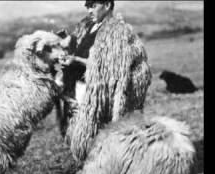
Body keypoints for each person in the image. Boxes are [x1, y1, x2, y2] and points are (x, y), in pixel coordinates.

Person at [60, 0, 152, 161]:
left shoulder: (116, 32)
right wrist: (69, 51)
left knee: (95, 137)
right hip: (82, 87)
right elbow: (83, 50)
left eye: (93, 6)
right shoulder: (89, 26)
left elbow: (111, 67)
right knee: (81, 137)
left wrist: (75, 59)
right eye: (87, 6)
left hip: (99, 94)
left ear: (107, 5)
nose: (89, 10)